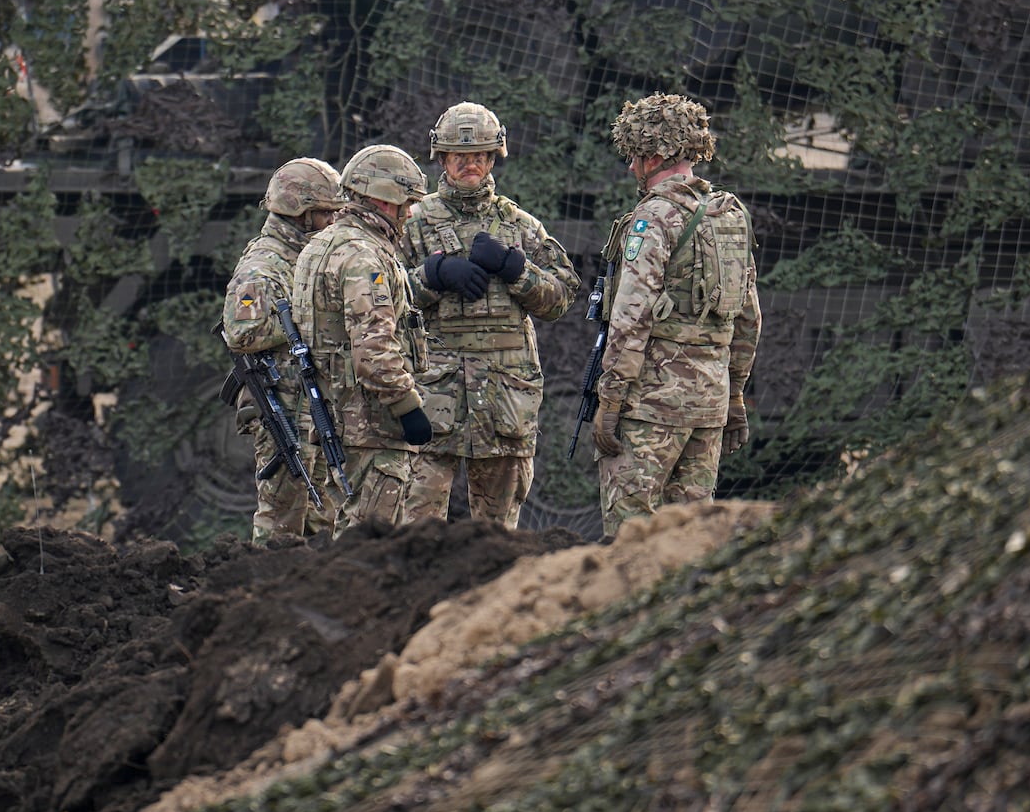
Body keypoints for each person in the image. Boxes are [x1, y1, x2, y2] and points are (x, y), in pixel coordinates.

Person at [401, 102, 580, 529]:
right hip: (432, 396)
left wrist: (515, 268)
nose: (470, 165)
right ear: (442, 159)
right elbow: (379, 299)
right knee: (415, 531)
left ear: (494, 157)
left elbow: (561, 298)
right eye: (460, 157)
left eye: (479, 156)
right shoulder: (413, 223)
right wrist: (433, 275)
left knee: (498, 535)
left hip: (503, 400)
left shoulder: (520, 225)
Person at [592, 92, 761, 541]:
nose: (632, 167)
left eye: (637, 156)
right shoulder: (730, 217)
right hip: (709, 405)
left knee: (631, 537)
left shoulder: (653, 218)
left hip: (651, 407)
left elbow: (631, 316)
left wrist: (610, 400)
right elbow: (748, 318)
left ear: (658, 154)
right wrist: (736, 395)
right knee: (691, 539)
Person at [289, 143, 432, 533]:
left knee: (350, 526)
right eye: (405, 202)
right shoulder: (363, 256)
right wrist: (408, 406)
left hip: (337, 414)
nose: (408, 213)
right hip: (371, 422)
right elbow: (373, 349)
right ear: (382, 200)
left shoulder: (319, 245)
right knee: (370, 539)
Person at [222, 157, 344, 543]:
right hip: (282, 405)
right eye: (324, 213)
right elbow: (242, 332)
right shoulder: (264, 265)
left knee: (321, 518)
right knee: (282, 520)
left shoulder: (306, 257)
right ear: (300, 213)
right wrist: (309, 322)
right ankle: (266, 593)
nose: (331, 220)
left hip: (310, 406)